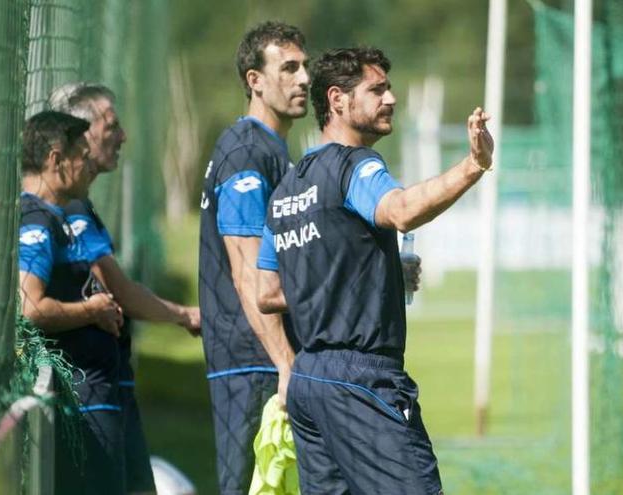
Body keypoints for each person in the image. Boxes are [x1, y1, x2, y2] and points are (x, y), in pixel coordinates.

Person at [256, 46, 493, 495]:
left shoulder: (287, 188)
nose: (391, 99)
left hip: (309, 380)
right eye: (377, 89)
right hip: (360, 379)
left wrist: (361, 277)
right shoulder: (355, 165)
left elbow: (266, 292)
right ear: (338, 100)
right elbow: (401, 211)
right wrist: (473, 165)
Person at [48, 82, 202, 494]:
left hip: (107, 381)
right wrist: (186, 315)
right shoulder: (69, 209)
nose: (123, 136)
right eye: (111, 126)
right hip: (89, 386)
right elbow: (118, 290)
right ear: (80, 134)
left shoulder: (78, 205)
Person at [197, 21, 308, 495]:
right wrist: (285, 363)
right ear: (254, 81)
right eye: (289, 68)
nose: (304, 78)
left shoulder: (272, 150)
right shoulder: (246, 154)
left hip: (264, 357)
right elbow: (246, 272)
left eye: (304, 67)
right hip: (254, 360)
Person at [18, 110, 126, 493]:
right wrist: (92, 311)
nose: (88, 162)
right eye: (81, 153)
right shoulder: (36, 221)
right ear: (55, 159)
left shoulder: (54, 215)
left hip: (91, 397)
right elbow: (31, 307)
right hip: (81, 403)